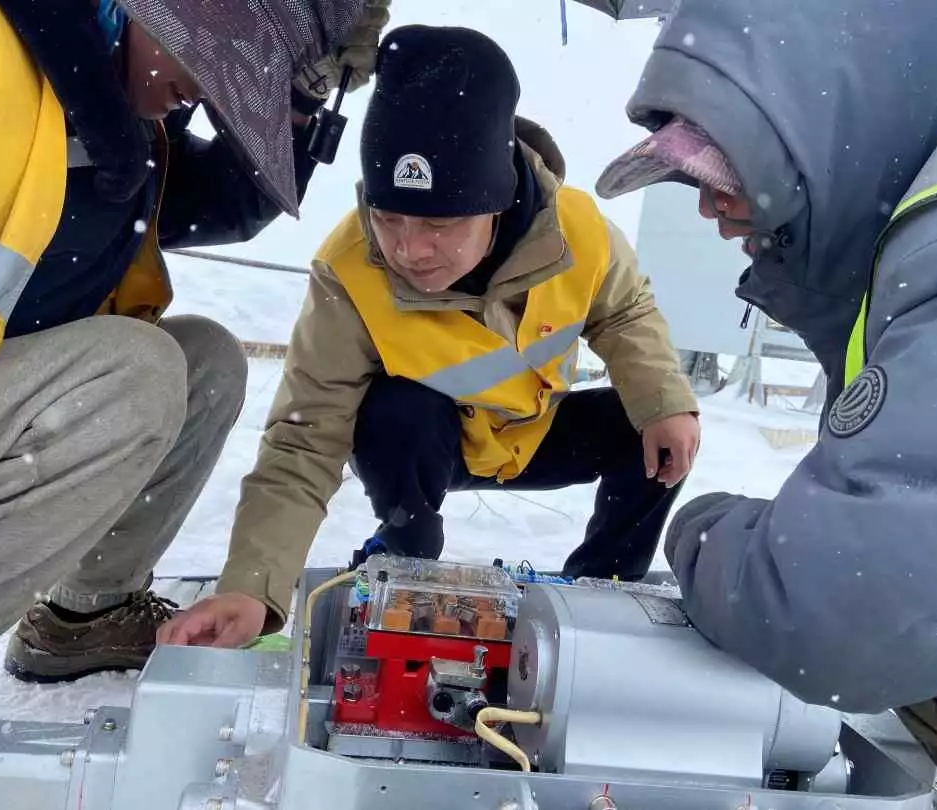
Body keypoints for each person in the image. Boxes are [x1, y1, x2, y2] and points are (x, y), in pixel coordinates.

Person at [158, 24, 701, 650]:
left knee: (652, 425)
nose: (409, 249)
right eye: (388, 217)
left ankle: (604, 597)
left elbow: (626, 312)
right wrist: (252, 586)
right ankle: (405, 549)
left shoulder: (576, 230)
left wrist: (665, 401)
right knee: (400, 406)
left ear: (495, 203)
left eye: (439, 224)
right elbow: (305, 441)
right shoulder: (350, 270)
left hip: (530, 435)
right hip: (425, 450)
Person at [593, 0, 937, 805]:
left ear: (829, 113)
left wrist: (701, 531)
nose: (714, 218)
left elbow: (856, 610)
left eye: (721, 178)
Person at [0, 0, 389, 684]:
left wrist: (299, 98)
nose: (210, 94)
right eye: (218, 62)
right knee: (138, 373)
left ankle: (81, 621)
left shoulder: (120, 100)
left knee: (206, 362)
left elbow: (226, 202)